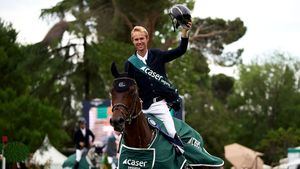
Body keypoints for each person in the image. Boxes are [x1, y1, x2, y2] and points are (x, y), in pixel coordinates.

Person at [124, 6, 192, 153]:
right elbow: (129, 88)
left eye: (142, 38)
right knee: (128, 139)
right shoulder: (129, 63)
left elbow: (180, 50)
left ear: (147, 39)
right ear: (133, 42)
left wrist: (184, 33)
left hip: (159, 106)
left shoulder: (157, 54)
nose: (139, 42)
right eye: (136, 39)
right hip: (140, 109)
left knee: (175, 139)